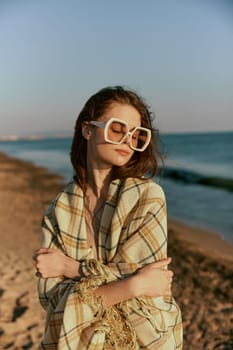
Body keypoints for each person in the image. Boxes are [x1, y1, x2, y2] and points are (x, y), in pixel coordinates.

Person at [34, 86, 183, 349]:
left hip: (147, 339)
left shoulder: (148, 197)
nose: (128, 140)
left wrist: (71, 268)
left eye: (137, 135)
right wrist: (132, 285)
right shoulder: (58, 210)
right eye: (117, 129)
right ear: (87, 130)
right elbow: (51, 298)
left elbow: (146, 298)